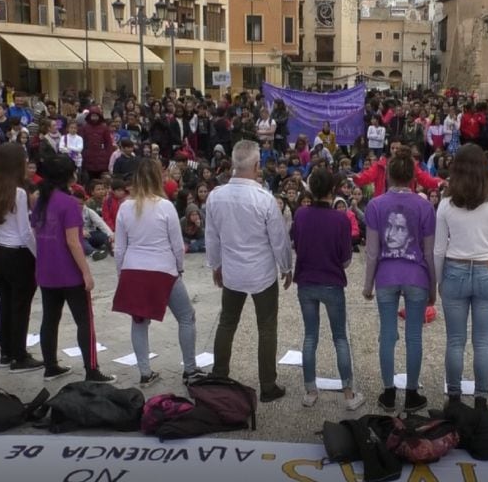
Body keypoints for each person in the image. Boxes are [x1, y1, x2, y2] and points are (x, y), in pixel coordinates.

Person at [206, 140, 293, 403]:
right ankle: (268, 385)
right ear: (256, 165)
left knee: (227, 323)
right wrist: (286, 266)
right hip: (261, 273)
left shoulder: (215, 196)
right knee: (266, 327)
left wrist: (216, 265)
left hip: (232, 270)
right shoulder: (264, 199)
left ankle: (220, 374)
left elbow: (212, 236)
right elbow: (278, 239)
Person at [112, 158, 205, 387]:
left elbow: (120, 247)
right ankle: (190, 370)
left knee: (139, 321)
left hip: (133, 269)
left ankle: (145, 373)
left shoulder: (125, 207)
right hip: (163, 269)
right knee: (186, 316)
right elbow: (177, 244)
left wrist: (121, 274)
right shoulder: (165, 206)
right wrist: (179, 268)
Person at [434, 144, 488, 409]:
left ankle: (453, 397)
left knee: (455, 340)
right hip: (487, 269)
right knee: (482, 341)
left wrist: (439, 280)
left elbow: (439, 249)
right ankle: (481, 398)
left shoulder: (445, 204)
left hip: (455, 267)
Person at [362, 146, 436, 413]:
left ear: (389, 176)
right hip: (416, 274)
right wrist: (433, 286)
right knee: (414, 336)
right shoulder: (425, 206)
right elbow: (429, 252)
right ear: (413, 177)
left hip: (386, 274)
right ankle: (412, 392)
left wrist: (367, 284)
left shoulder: (375, 205)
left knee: (387, 334)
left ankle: (389, 392)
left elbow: (371, 251)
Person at [32, 154, 115, 384]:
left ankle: (50, 366)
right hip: (68, 271)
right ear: (69, 176)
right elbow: (73, 241)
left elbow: (35, 232)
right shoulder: (69, 203)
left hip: (46, 270)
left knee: (50, 319)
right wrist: (86, 272)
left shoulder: (40, 200)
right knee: (84, 321)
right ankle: (92, 370)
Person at [290, 168, 363, 410]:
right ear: (333, 190)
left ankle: (310, 390)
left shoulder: (301, 214)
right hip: (332, 281)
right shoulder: (340, 219)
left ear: (310, 189)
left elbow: (296, 243)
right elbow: (345, 259)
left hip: (307, 281)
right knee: (339, 337)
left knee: (310, 336)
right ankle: (349, 394)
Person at [0, 143, 42, 373]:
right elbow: (25, 231)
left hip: (0, 250)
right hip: (18, 253)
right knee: (20, 306)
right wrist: (39, 254)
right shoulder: (18, 192)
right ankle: (20, 356)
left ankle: (6, 353)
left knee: (6, 304)